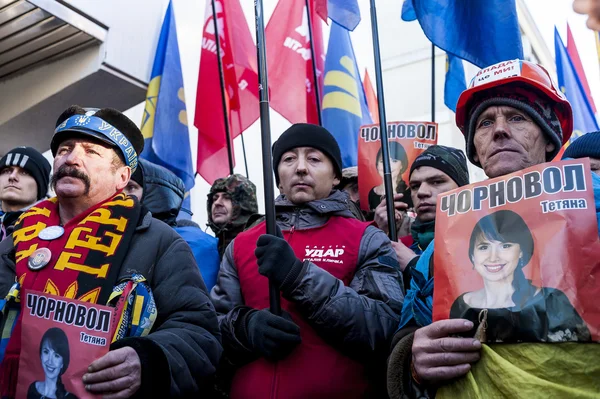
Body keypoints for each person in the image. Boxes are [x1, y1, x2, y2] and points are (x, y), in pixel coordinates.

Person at [387, 59, 600, 398]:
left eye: (517, 117)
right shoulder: (441, 243)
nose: (499, 130)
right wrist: (412, 362)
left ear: (548, 139)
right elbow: (409, 333)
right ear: (476, 150)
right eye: (485, 123)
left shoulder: (593, 202)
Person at [0, 106, 222, 399]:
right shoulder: (17, 236)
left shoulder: (158, 241)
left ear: (122, 177)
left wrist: (147, 360)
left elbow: (201, 334)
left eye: (91, 152)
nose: (72, 158)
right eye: (64, 149)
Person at [211, 123, 404, 398]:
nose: (300, 168)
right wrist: (245, 328)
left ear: (336, 176)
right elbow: (211, 328)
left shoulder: (367, 238)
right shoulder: (241, 243)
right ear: (278, 177)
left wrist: (298, 277)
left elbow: (383, 327)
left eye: (314, 158)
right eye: (289, 159)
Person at [449, 210, 590, 342]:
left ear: (521, 251)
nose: (493, 258)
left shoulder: (552, 301)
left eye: (505, 246)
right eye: (484, 247)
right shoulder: (461, 304)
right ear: (473, 256)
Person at [374, 145, 470, 279]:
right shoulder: (400, 247)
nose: (421, 192)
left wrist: (415, 265)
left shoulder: (482, 241)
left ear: (462, 188)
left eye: (436, 182)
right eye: (415, 186)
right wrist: (377, 234)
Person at [125, 158, 221, 291]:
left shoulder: (190, 242)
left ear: (154, 192)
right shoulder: (106, 234)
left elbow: (192, 302)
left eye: (131, 187)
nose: (121, 194)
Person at [0, 147, 51, 241]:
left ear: (40, 186)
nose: (12, 176)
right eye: (6, 171)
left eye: (24, 172)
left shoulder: (52, 228)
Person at [207, 174, 259, 259]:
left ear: (243, 204)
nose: (217, 203)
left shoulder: (258, 245)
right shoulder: (208, 250)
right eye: (215, 198)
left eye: (226, 197)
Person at [28, 328, 78, 399]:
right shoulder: (33, 388)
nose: (50, 361)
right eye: (46, 352)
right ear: (41, 355)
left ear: (62, 363)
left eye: (56, 355)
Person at [368, 141, 413, 211]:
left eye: (394, 161)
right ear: (377, 165)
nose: (388, 166)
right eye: (382, 161)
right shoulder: (373, 193)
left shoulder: (410, 193)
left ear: (402, 165)